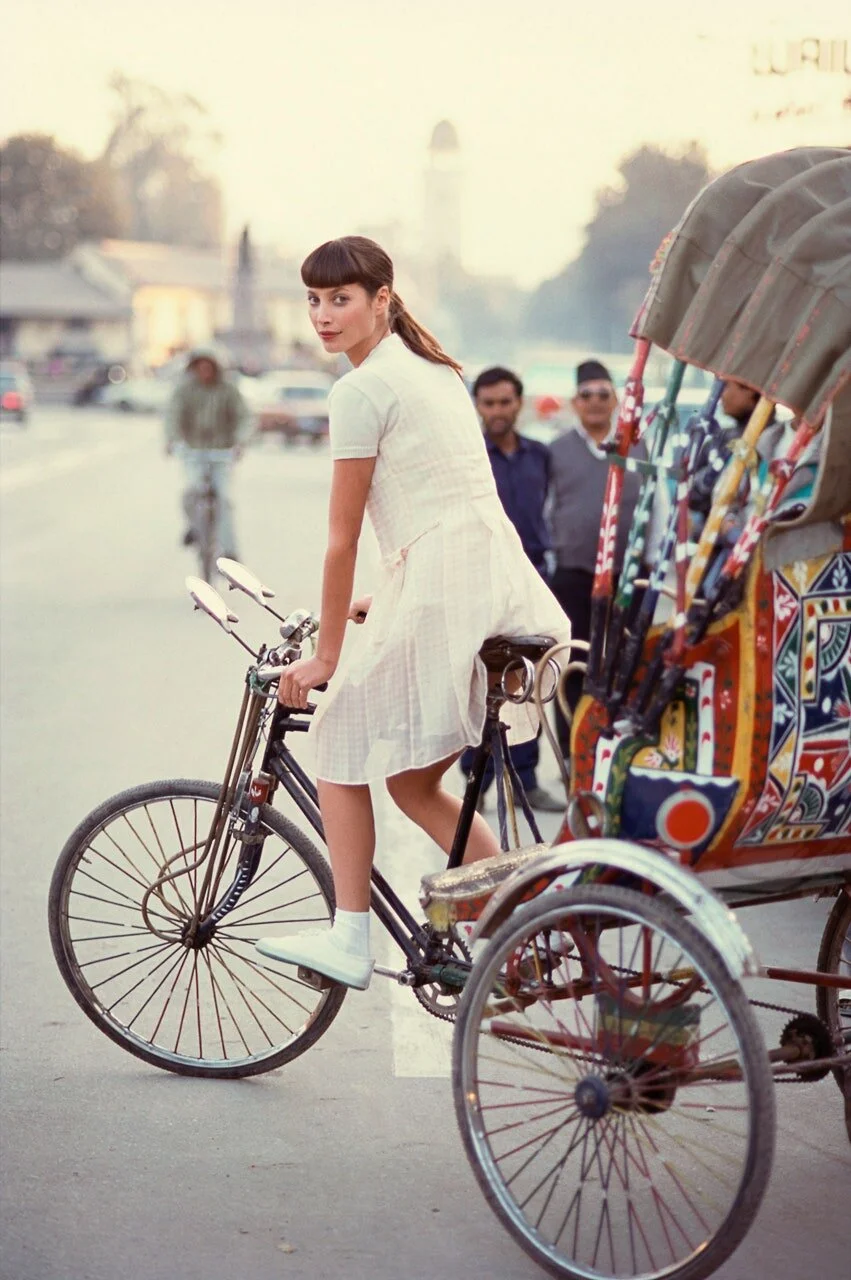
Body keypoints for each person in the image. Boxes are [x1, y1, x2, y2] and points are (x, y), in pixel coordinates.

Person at [253, 236, 570, 990]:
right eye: (314, 300)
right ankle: (519, 926)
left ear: (381, 300)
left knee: (335, 740)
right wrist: (385, 595)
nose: (323, 316)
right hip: (476, 574)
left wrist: (326, 657)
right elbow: (439, 502)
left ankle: (349, 938)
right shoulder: (428, 368)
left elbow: (340, 539)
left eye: (341, 299)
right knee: (411, 784)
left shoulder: (359, 391)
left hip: (446, 582)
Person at [457, 366, 562, 813]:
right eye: (488, 403)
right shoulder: (467, 458)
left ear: (519, 403)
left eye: (505, 402)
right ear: (477, 406)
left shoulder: (541, 455)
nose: (497, 411)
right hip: (480, 582)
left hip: (533, 578)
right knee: (480, 685)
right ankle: (473, 787)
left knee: (527, 683)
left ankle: (527, 780)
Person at [548, 359, 646, 753]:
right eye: (586, 395)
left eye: (603, 394)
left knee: (627, 662)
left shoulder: (637, 446)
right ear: (575, 401)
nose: (594, 402)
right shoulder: (556, 451)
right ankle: (576, 754)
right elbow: (545, 510)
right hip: (573, 573)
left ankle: (618, 753)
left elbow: (655, 510)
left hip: (628, 574)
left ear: (616, 399)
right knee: (574, 663)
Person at [164, 346, 252, 559]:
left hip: (222, 453)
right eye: (199, 367)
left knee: (224, 499)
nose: (204, 372)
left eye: (208, 367)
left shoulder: (228, 390)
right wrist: (172, 440)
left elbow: (244, 418)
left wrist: (240, 441)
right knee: (191, 492)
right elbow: (173, 416)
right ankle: (194, 527)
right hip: (193, 451)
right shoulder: (185, 390)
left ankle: (229, 551)